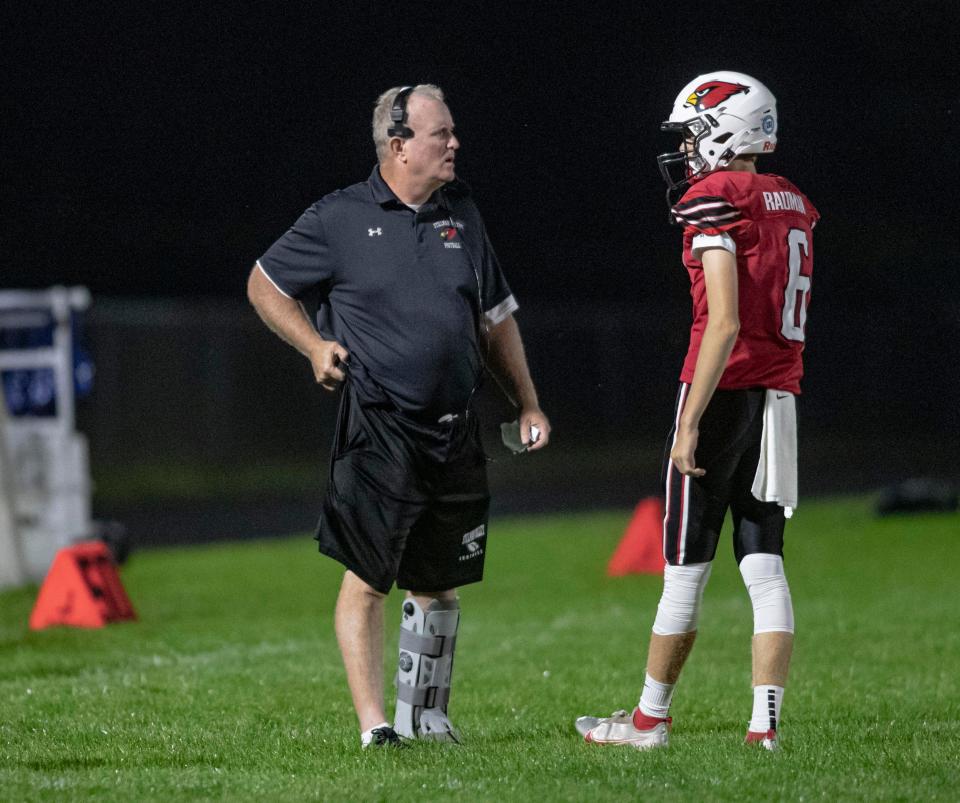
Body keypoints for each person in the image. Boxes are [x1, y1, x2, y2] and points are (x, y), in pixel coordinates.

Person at [247, 84, 550, 748]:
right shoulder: (339, 218)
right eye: (440, 134)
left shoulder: (462, 211)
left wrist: (526, 400)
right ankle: (375, 724)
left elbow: (496, 318)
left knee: (439, 584)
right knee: (368, 576)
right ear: (397, 144)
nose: (454, 144)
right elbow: (264, 283)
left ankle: (427, 715)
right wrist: (313, 346)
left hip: (455, 424)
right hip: (379, 423)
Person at [576, 71, 818, 751]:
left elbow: (724, 322)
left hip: (721, 391)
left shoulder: (716, 197)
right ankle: (763, 725)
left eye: (691, 134)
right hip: (780, 397)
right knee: (764, 561)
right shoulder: (792, 199)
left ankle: (649, 720)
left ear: (726, 128)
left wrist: (688, 422)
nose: (685, 150)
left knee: (685, 566)